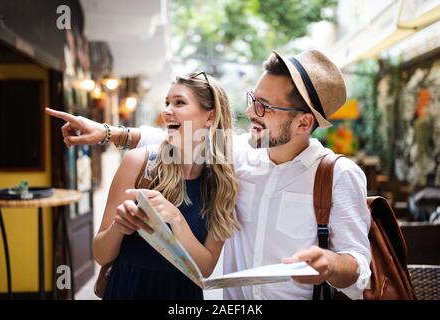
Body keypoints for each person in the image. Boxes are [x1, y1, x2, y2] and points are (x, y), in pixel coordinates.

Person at [46, 49, 371, 300]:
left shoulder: (338, 175)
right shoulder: (240, 154)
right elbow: (179, 136)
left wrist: (331, 263)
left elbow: (358, 267)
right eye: (253, 100)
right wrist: (106, 132)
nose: (250, 113)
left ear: (303, 123)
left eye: (265, 107)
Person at [62, 72, 239, 299]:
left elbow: (205, 267)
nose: (166, 111)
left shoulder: (222, 183)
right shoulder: (139, 162)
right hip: (128, 289)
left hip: (181, 295)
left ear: (209, 116)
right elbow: (101, 255)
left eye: (179, 102)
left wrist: (176, 219)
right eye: (167, 103)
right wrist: (119, 225)